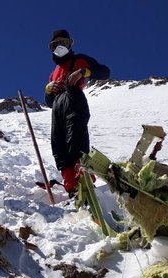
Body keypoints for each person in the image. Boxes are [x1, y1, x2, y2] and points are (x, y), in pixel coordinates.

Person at [44, 29, 110, 197]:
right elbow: (50, 102)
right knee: (59, 145)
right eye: (55, 44)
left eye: (63, 43)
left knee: (76, 141)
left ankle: (85, 180)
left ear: (70, 43)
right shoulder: (54, 73)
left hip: (74, 100)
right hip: (58, 107)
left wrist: (83, 72)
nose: (60, 47)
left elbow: (104, 72)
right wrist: (48, 90)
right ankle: (70, 185)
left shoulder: (79, 60)